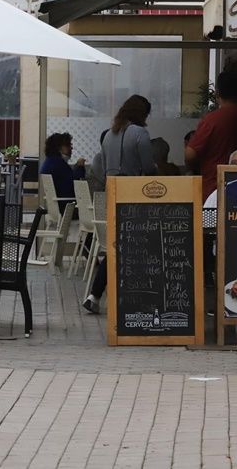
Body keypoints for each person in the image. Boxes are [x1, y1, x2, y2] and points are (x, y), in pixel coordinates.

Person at [83, 96, 156, 314]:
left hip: (112, 193)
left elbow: (105, 168)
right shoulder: (139, 133)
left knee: (117, 246)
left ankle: (95, 294)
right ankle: (135, 296)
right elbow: (148, 167)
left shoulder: (109, 135)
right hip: (133, 193)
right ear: (141, 113)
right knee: (136, 246)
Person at [40, 133, 85, 202]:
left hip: (58, 203)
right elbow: (75, 184)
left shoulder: (50, 161)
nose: (71, 148)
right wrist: (80, 167)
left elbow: (66, 179)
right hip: (66, 205)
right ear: (59, 148)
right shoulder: (58, 164)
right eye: (68, 145)